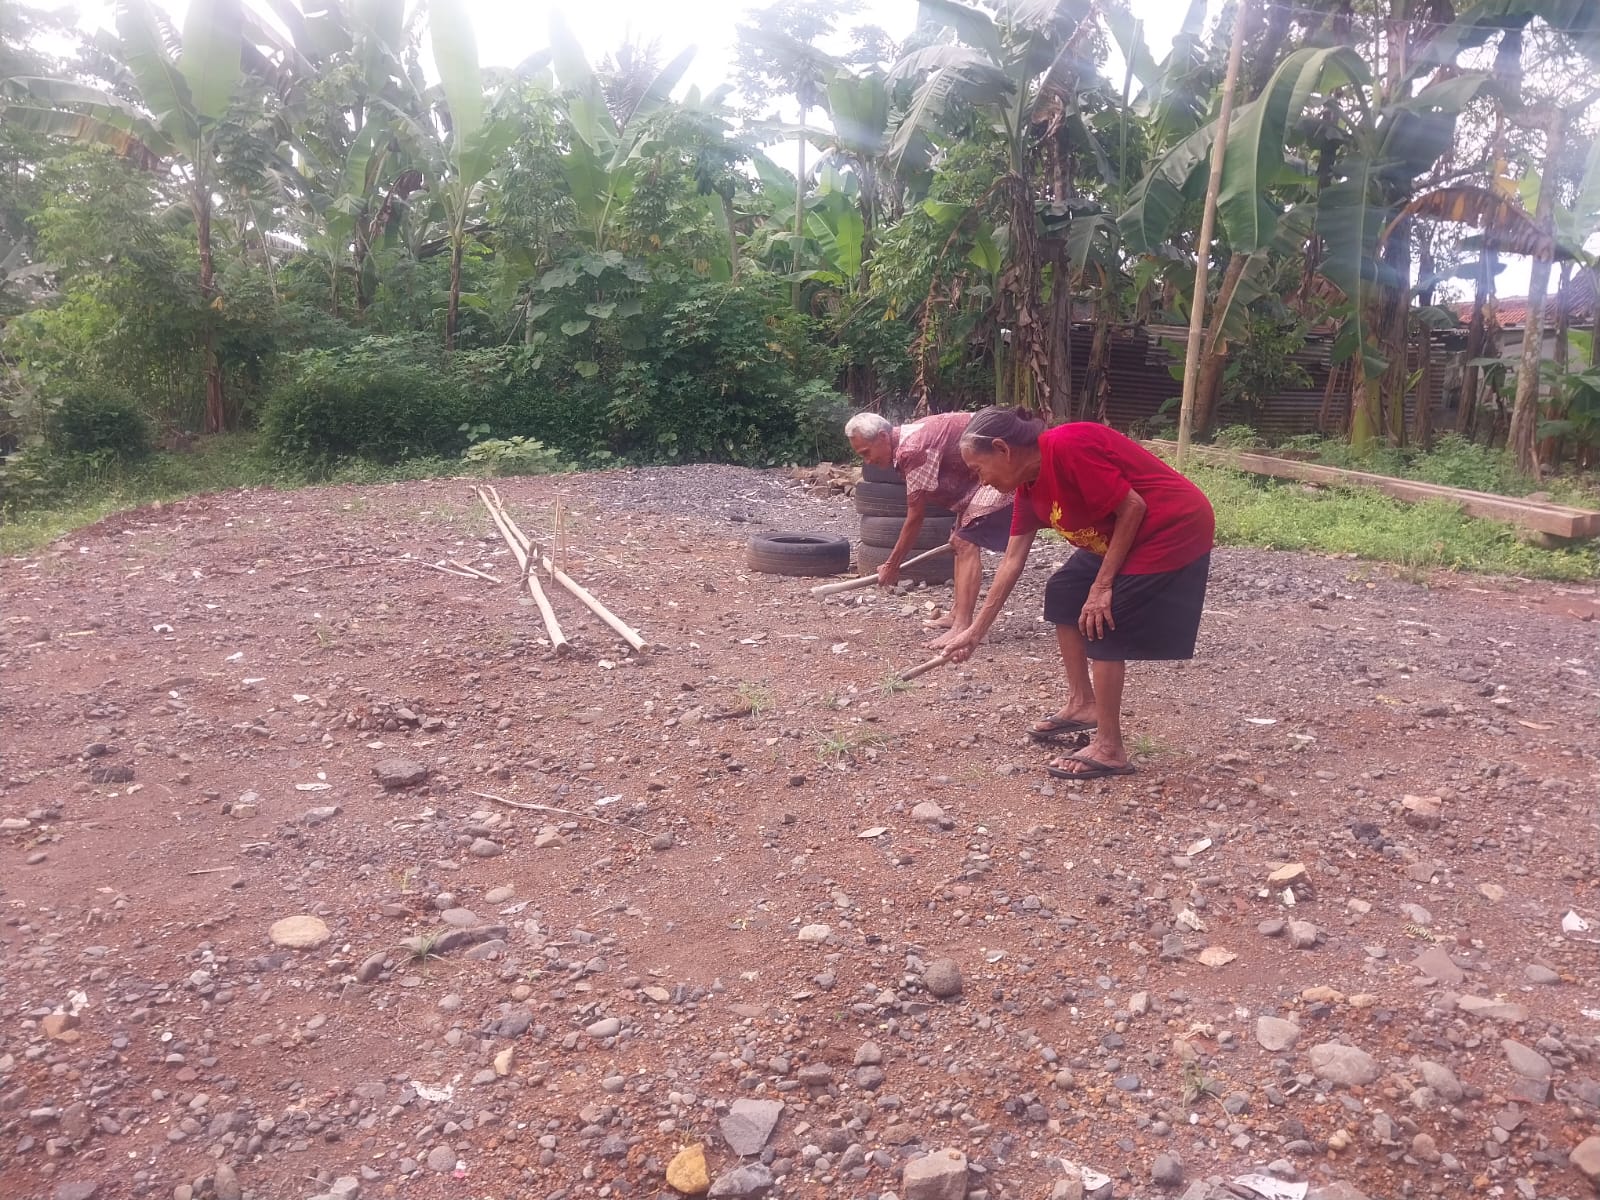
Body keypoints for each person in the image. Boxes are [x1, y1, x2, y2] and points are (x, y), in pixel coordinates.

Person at [940, 407, 1215, 781]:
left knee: (1103, 616)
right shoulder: (1027, 489)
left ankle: (1110, 746)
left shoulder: (1066, 446)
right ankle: (1083, 703)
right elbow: (1012, 562)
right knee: (1065, 591)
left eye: (979, 470)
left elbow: (1133, 506)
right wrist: (974, 631)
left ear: (1003, 449)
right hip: (1122, 536)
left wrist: (1102, 587)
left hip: (1171, 526)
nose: (982, 482)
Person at [845, 411, 1015, 649]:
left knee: (966, 542)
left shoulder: (911, 450)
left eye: (866, 453)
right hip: (976, 477)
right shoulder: (907, 437)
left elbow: (915, 517)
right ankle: (957, 615)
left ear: (883, 437)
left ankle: (962, 626)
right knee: (959, 541)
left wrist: (893, 564)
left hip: (1003, 467)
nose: (867, 461)